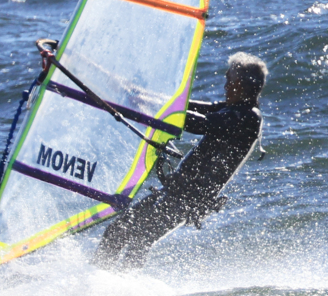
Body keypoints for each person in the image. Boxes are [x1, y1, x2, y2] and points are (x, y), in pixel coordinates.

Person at [92, 52, 267, 271]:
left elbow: (201, 123)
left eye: (228, 78)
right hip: (175, 191)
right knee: (117, 231)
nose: (225, 82)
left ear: (240, 84)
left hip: (189, 198)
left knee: (139, 239)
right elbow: (185, 106)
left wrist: (162, 113)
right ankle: (96, 276)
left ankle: (122, 285)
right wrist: (142, 96)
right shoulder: (230, 109)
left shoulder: (248, 118)